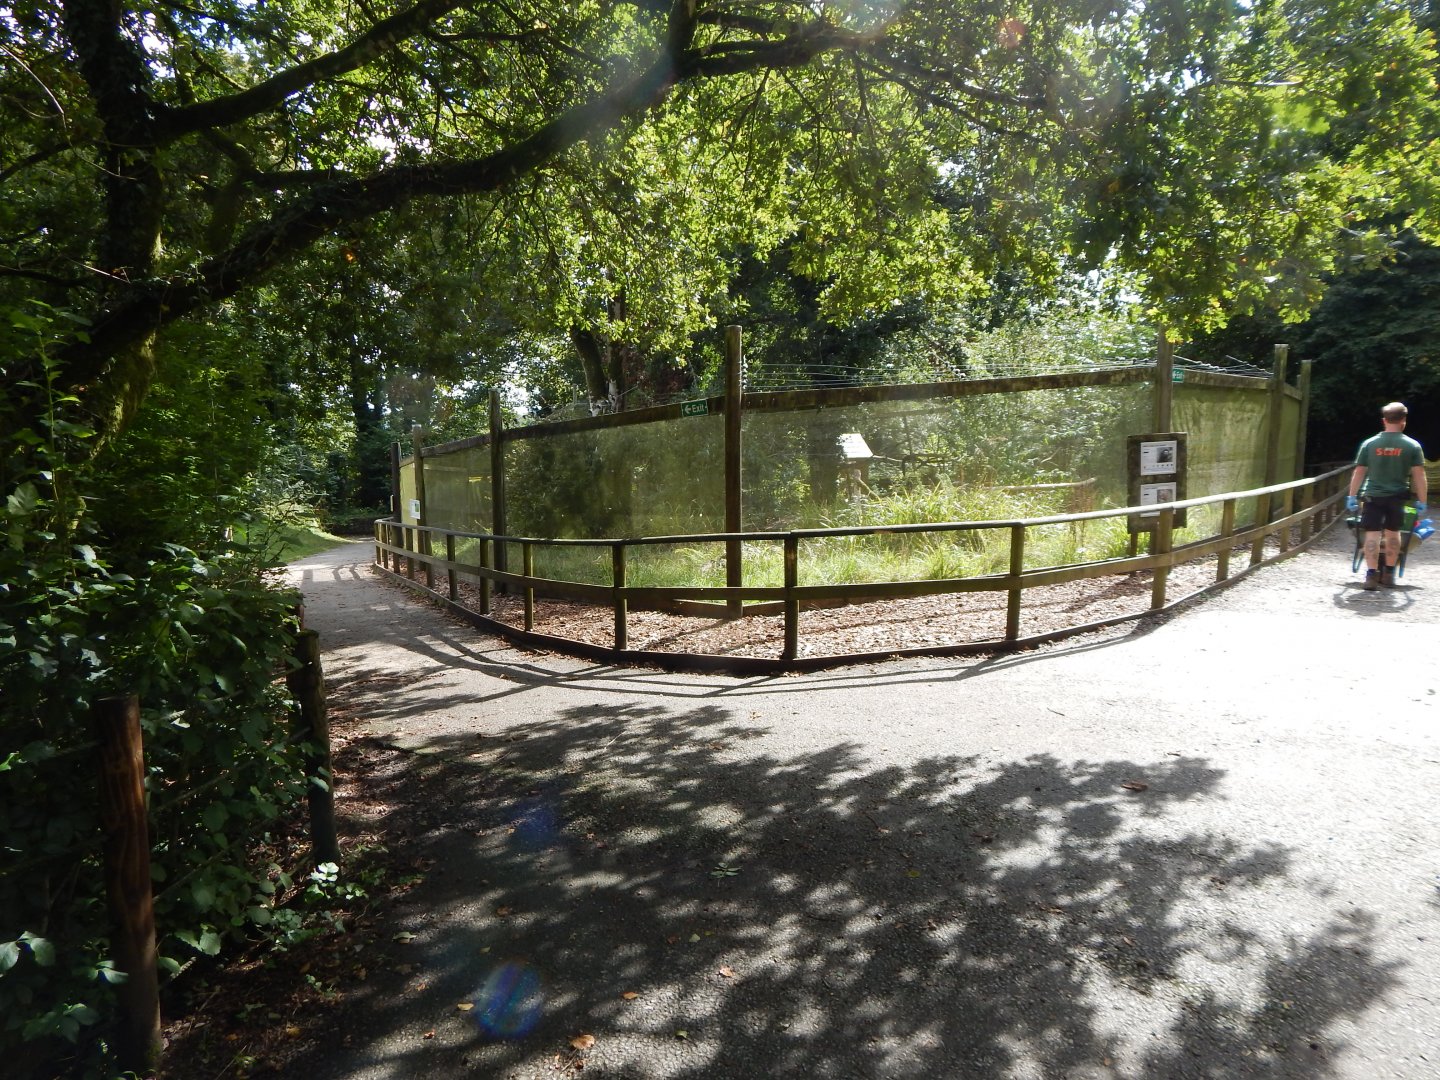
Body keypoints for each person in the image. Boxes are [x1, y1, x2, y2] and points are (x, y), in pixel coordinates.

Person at [1346, 401, 1428, 590]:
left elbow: (1359, 471)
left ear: (1384, 420)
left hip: (1372, 496)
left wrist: (1351, 496)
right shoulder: (1412, 446)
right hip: (1397, 497)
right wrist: (1422, 500)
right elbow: (1419, 475)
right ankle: (1389, 574)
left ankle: (1371, 576)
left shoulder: (1369, 444)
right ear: (1403, 421)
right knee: (1393, 533)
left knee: (1372, 534)